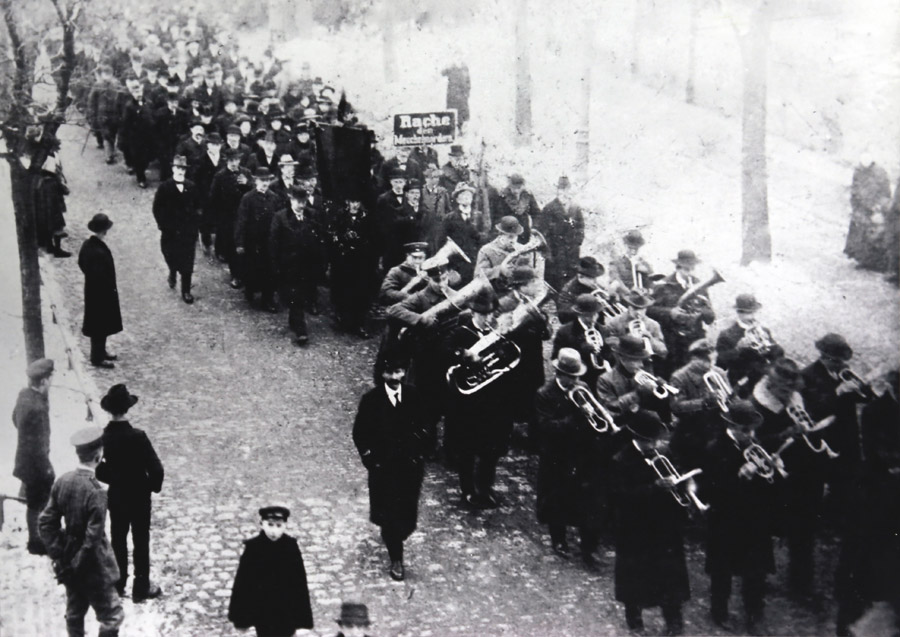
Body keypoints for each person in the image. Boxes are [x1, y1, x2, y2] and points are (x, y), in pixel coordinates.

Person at [750, 358, 828, 600]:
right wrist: (785, 434)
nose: (789, 395)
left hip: (801, 474)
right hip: (769, 476)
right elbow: (752, 444)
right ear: (770, 384)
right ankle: (756, 580)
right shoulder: (755, 405)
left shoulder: (795, 397)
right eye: (784, 390)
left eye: (792, 390)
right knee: (762, 530)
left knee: (803, 530)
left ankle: (801, 585)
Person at [609, 410, 690, 635]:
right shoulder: (621, 459)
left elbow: (678, 474)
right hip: (635, 527)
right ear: (637, 438)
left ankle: (674, 620)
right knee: (633, 576)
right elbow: (620, 495)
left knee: (669, 575)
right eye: (649, 440)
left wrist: (680, 484)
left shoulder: (664, 451)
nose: (654, 444)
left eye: (656, 439)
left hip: (664, 525)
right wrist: (654, 487)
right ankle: (634, 620)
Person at [39, 427, 124, 637]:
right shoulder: (97, 492)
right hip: (94, 566)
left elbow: (45, 522)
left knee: (75, 613)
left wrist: (60, 555)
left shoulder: (63, 481)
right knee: (112, 616)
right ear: (98, 455)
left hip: (68, 559)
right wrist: (79, 563)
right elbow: (92, 538)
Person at [352, 352, 429, 581]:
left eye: (398, 372)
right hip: (384, 469)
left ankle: (397, 536)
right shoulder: (371, 400)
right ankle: (396, 557)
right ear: (382, 374)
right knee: (390, 516)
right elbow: (360, 433)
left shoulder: (414, 396)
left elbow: (426, 425)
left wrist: (420, 451)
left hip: (409, 467)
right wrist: (371, 460)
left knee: (406, 513)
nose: (394, 377)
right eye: (389, 372)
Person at [701, 400, 775, 634]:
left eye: (752, 429)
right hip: (726, 519)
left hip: (753, 518)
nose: (750, 434)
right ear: (731, 427)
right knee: (722, 571)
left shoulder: (755, 444)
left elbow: (766, 485)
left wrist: (770, 470)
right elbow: (711, 490)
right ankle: (719, 612)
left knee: (755, 570)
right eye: (745, 430)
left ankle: (755, 613)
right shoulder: (714, 449)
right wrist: (740, 475)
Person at [533, 348, 610, 570]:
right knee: (557, 500)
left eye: (578, 376)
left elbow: (596, 414)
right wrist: (576, 416)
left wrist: (596, 416)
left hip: (583, 452)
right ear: (561, 374)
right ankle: (559, 540)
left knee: (587, 501)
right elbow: (546, 428)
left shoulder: (582, 388)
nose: (577, 380)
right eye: (573, 376)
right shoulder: (545, 394)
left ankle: (588, 549)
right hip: (557, 455)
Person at [444, 290, 516, 507]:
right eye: (481, 314)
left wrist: (502, 356)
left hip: (493, 400)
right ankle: (467, 490)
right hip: (468, 402)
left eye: (490, 314)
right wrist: (465, 355)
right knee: (467, 448)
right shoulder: (461, 333)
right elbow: (445, 351)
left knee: (490, 449)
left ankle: (485, 489)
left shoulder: (498, 334)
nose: (486, 318)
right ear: (473, 312)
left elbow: (508, 361)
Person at [95, 384, 164, 602]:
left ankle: (119, 582)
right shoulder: (138, 436)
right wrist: (153, 486)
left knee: (118, 539)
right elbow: (156, 469)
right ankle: (141, 587)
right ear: (127, 409)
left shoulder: (104, 437)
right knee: (141, 540)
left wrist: (114, 478)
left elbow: (100, 471)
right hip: (140, 495)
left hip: (117, 496)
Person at [228, 505, 314, 636]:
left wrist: (302, 620)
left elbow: (299, 584)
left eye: (279, 526)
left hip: (286, 612)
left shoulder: (290, 547)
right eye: (270, 525)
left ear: (285, 525)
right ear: (262, 524)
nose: (274, 530)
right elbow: (243, 584)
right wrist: (241, 619)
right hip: (262, 612)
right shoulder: (253, 548)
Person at [269, 185, 325, 345]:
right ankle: (301, 329)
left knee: (302, 295)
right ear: (291, 200)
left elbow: (319, 240)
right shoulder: (281, 217)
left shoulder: (312, 216)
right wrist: (275, 265)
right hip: (289, 265)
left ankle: (294, 320)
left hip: (307, 265)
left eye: (304, 201)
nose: (301, 205)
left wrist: (321, 261)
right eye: (298, 202)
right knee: (295, 296)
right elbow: (273, 243)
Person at [648, 249, 716, 377]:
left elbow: (710, 316)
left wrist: (701, 312)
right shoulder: (663, 285)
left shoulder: (700, 285)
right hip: (672, 341)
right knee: (672, 375)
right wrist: (670, 313)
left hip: (694, 340)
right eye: (686, 269)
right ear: (678, 268)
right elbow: (649, 310)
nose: (690, 273)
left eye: (692, 269)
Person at [12, 358, 56, 555]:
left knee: (33, 501)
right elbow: (40, 443)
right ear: (44, 381)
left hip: (24, 460)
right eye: (50, 379)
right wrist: (47, 467)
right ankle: (39, 541)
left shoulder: (24, 395)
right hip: (37, 463)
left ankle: (35, 539)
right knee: (41, 502)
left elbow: (15, 418)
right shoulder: (38, 407)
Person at [669, 338, 729, 469]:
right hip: (692, 428)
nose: (710, 365)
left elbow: (730, 396)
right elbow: (676, 407)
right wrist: (704, 402)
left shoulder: (718, 372)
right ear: (694, 359)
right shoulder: (679, 377)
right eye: (706, 361)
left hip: (716, 424)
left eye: (712, 360)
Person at [152, 155, 202, 304]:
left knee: (187, 260)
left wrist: (196, 221)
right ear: (173, 169)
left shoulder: (191, 186)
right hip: (170, 232)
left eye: (183, 169)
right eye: (178, 168)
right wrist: (163, 225)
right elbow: (157, 208)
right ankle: (172, 271)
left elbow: (198, 206)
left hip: (188, 232)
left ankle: (185, 290)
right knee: (170, 255)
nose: (180, 171)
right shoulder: (165, 187)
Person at [328, 198, 379, 338]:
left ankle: (360, 324)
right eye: (352, 202)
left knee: (361, 292)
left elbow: (374, 238)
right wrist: (343, 238)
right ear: (347, 202)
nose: (355, 205)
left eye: (358, 202)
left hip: (361, 261)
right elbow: (332, 235)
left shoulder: (367, 217)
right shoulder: (339, 216)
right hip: (343, 261)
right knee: (344, 291)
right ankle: (343, 320)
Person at [78, 213, 122, 368]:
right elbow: (99, 273)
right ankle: (97, 358)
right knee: (99, 326)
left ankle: (101, 351)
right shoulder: (97, 250)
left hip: (94, 291)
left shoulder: (88, 245)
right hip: (100, 294)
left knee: (100, 325)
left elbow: (82, 264)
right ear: (104, 231)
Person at [715, 294, 783, 395]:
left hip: (762, 379)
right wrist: (738, 348)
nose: (752, 317)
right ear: (739, 313)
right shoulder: (727, 335)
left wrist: (771, 346)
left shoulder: (764, 330)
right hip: (742, 383)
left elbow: (778, 355)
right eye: (748, 313)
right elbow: (720, 364)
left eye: (753, 312)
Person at [235, 167, 280, 312]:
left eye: (267, 180)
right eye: (262, 180)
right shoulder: (248, 198)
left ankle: (268, 300)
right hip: (252, 241)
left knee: (270, 270)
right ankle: (250, 290)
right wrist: (240, 242)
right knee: (252, 268)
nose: (265, 183)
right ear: (256, 181)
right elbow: (241, 221)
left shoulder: (274, 197)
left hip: (269, 240)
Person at [208, 146, 253, 286]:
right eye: (232, 160)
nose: (234, 163)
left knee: (245, 244)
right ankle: (235, 275)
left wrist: (247, 183)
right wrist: (219, 219)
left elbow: (254, 190)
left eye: (237, 160)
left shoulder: (246, 173)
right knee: (233, 247)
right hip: (228, 217)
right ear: (227, 161)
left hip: (245, 216)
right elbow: (213, 198)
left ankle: (246, 273)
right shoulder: (220, 176)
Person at [551, 293, 611, 391]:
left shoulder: (603, 330)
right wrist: (580, 350)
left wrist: (603, 354)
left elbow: (610, 357)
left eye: (595, 314)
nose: (592, 319)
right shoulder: (565, 332)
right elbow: (556, 358)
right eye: (588, 316)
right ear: (579, 314)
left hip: (600, 380)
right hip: (578, 379)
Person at [535, 175, 584, 293]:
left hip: (571, 252)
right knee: (556, 284)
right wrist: (548, 252)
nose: (564, 192)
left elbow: (580, 226)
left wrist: (577, 241)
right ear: (557, 190)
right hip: (555, 253)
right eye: (561, 189)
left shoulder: (575, 208)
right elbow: (542, 232)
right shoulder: (549, 208)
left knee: (571, 282)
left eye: (566, 189)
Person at [844, 154, 892, 271]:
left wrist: (878, 207)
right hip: (860, 207)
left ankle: (870, 262)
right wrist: (853, 203)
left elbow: (886, 193)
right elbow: (854, 188)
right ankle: (858, 257)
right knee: (857, 233)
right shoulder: (858, 171)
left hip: (873, 208)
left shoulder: (880, 173)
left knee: (871, 235)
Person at [32, 153, 72, 257]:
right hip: (54, 209)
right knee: (57, 227)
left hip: (43, 209)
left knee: (47, 226)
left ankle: (49, 246)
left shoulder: (39, 182)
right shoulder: (54, 181)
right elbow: (65, 190)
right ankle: (58, 249)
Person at [556, 256, 606, 324]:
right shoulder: (570, 290)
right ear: (580, 277)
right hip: (575, 322)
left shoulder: (590, 285)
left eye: (595, 278)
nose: (595, 281)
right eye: (591, 278)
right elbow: (564, 313)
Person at [494, 173, 541, 243]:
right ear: (509, 185)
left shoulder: (527, 195)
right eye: (513, 188)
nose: (516, 191)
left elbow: (536, 214)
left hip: (524, 233)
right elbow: (497, 216)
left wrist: (534, 227)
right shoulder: (503, 196)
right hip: (508, 233)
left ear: (523, 186)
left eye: (518, 188)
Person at [609, 229, 654, 294]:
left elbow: (651, 283)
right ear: (625, 246)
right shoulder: (616, 263)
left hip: (642, 299)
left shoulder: (644, 264)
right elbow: (616, 280)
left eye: (636, 249)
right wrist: (629, 291)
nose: (633, 251)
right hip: (624, 297)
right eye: (630, 248)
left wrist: (647, 291)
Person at [441, 62, 470, 129]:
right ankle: (453, 129)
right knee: (452, 113)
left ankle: (461, 128)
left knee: (462, 114)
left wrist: (467, 94)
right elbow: (442, 73)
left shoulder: (465, 68)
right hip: (452, 96)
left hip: (462, 96)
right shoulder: (451, 68)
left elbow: (468, 82)